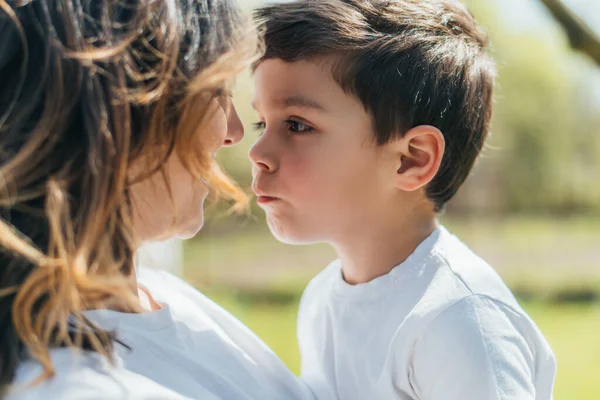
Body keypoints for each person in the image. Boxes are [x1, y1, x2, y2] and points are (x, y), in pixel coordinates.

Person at [0, 1, 314, 399]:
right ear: (124, 117)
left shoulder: (164, 298)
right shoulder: (77, 387)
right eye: (217, 93)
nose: (234, 132)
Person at [249, 0, 557, 399]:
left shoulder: (459, 319)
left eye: (297, 125)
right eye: (262, 122)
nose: (257, 151)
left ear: (412, 159)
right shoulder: (321, 302)